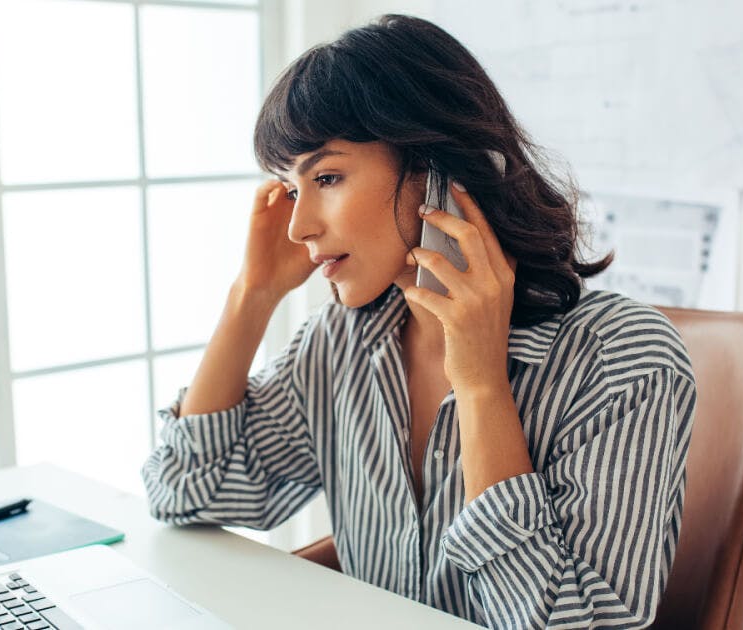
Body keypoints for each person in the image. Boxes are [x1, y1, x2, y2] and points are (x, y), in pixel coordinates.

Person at [141, 14, 696, 629]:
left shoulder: (620, 359)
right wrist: (252, 295)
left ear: (440, 169)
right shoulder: (342, 343)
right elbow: (183, 489)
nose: (299, 227)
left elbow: (574, 624)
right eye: (292, 190)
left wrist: (484, 386)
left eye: (327, 177)